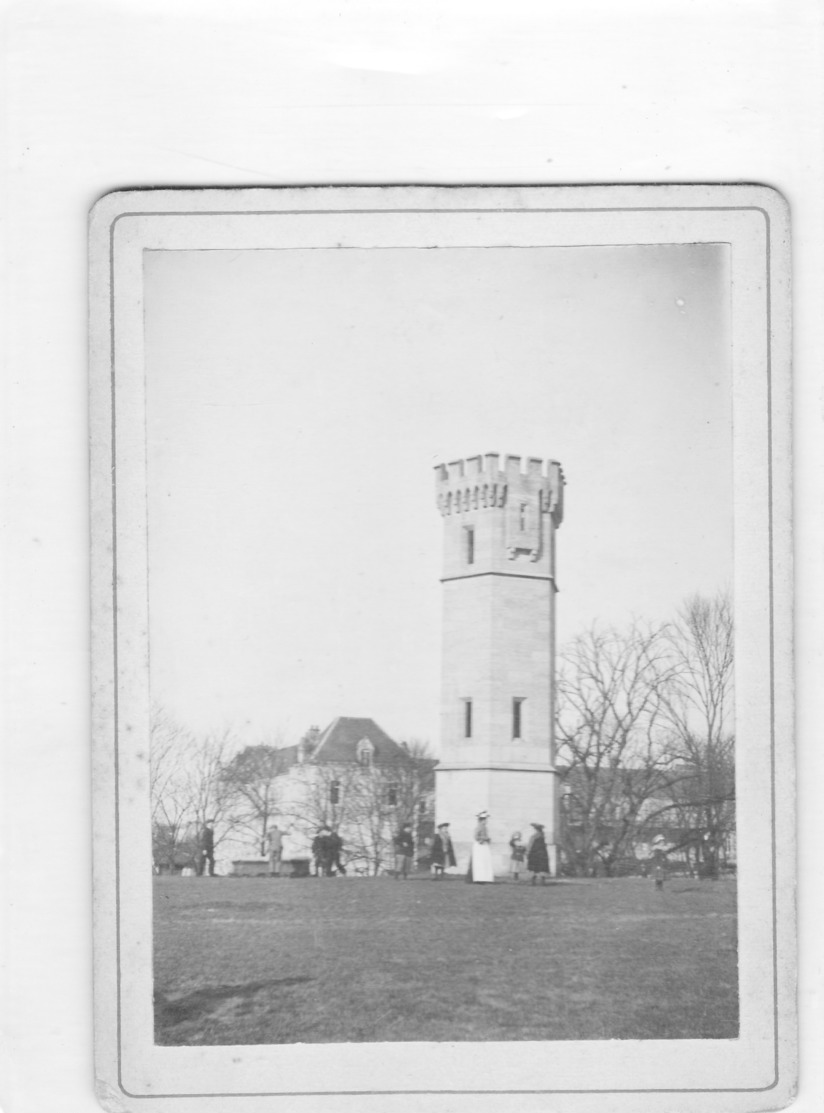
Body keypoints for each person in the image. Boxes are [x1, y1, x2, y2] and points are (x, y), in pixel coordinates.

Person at [469, 811, 495, 883]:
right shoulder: (478, 827)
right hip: (479, 845)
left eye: (486, 820)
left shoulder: (485, 828)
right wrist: (483, 839)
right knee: (479, 862)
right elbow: (476, 836)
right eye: (484, 820)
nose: (486, 821)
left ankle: (485, 878)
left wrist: (487, 839)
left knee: (485, 861)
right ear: (481, 820)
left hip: (484, 845)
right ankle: (479, 878)